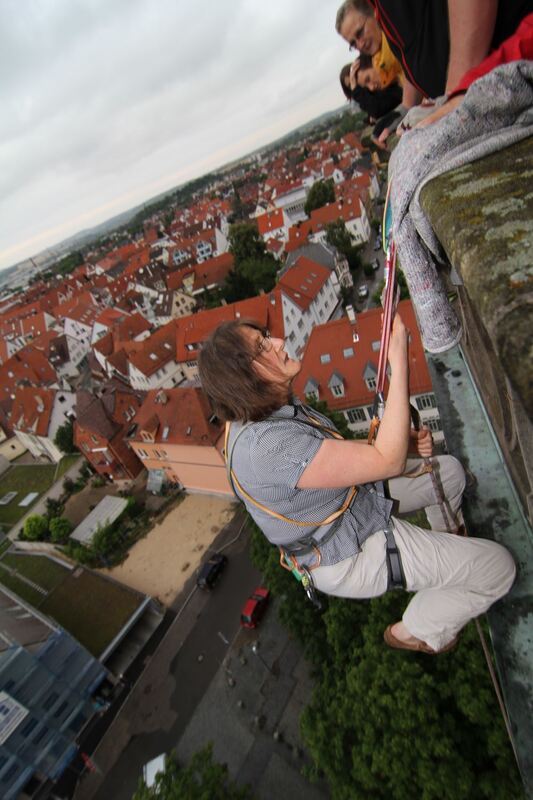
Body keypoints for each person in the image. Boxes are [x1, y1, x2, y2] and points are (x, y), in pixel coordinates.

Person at [199, 318, 516, 654]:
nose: (278, 340)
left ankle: (449, 538)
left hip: (350, 504)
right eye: (263, 347)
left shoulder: (259, 412)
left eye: (265, 336)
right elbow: (387, 462)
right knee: (497, 568)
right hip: (349, 551)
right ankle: (416, 629)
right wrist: (397, 362)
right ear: (246, 379)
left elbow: (327, 458)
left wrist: (399, 443)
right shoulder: (265, 447)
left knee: (449, 472)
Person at [336, 0, 531, 103]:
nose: (359, 44)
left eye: (359, 33)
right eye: (353, 43)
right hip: (485, 82)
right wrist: (408, 109)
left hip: (508, 60)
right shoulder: (383, 27)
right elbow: (413, 56)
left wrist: (456, 92)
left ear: (372, 17)